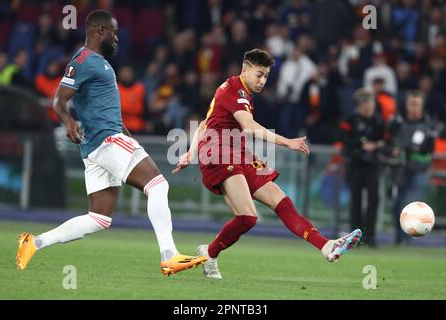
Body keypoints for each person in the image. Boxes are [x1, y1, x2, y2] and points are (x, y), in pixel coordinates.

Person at [15, 10, 206, 276]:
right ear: (100, 31)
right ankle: (169, 255)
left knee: (99, 218)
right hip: (106, 141)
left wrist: (125, 131)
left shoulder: (98, 62)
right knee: (158, 185)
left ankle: (33, 243)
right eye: (114, 32)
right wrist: (69, 122)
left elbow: (102, 107)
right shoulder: (83, 60)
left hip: (99, 145)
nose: (117, 38)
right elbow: (59, 99)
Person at [173, 49, 362, 279]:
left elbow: (204, 123)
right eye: (259, 75)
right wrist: (287, 142)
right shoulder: (235, 90)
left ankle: (326, 246)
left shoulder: (235, 89)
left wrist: (189, 153)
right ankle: (210, 253)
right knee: (249, 217)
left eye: (266, 77)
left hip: (239, 151)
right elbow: (250, 128)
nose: (262, 81)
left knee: (281, 202)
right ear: (245, 70)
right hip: (219, 153)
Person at [339, 88, 385, 247]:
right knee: (356, 201)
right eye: (366, 105)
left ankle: (370, 236)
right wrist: (361, 144)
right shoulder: (351, 119)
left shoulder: (378, 121)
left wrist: (377, 145)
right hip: (355, 164)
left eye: (370, 105)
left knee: (374, 200)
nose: (369, 109)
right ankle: (355, 236)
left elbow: (385, 140)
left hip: (372, 165)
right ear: (360, 106)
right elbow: (343, 138)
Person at [389, 91, 436, 244]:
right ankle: (399, 238)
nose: (414, 107)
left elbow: (429, 147)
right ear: (407, 104)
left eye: (417, 104)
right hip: (399, 169)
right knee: (395, 205)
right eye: (411, 104)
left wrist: (406, 148)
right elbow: (389, 139)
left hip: (419, 169)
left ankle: (406, 240)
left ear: (422, 106)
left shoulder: (429, 124)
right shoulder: (397, 122)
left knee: (408, 203)